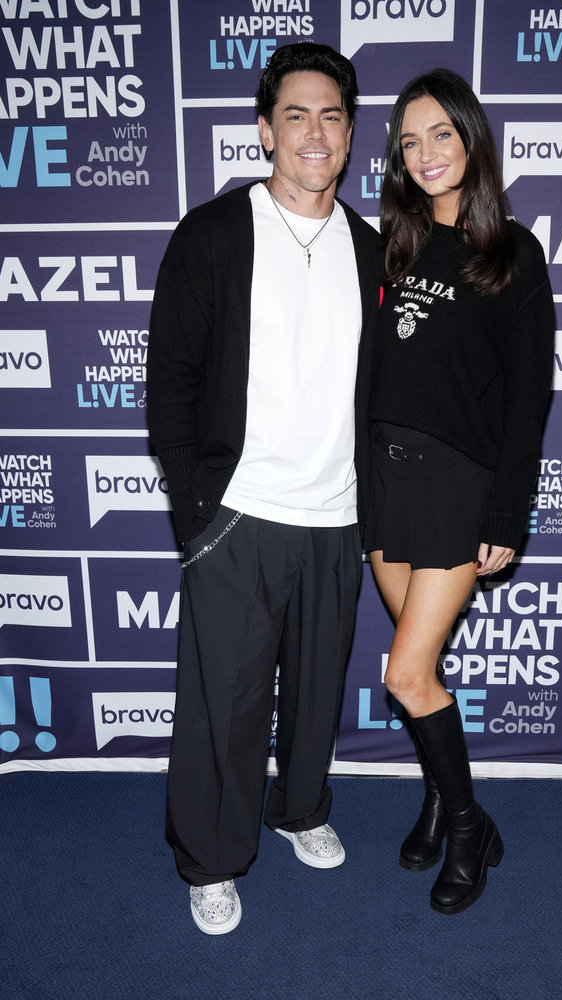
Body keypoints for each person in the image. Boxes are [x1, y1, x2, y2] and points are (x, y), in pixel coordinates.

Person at [146, 42, 381, 935]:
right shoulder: (212, 234)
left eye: (331, 116)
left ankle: (300, 808)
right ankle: (210, 857)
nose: (314, 132)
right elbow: (168, 378)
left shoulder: (370, 248)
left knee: (317, 690)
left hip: (337, 515)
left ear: (350, 134)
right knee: (225, 703)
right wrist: (195, 511)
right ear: (264, 130)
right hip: (239, 515)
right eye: (295, 114)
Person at [366, 68, 555, 915]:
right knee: (425, 669)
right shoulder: (393, 246)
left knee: (406, 673)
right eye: (410, 141)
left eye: (440, 133)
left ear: (471, 139)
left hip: (456, 483)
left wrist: (505, 511)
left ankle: (469, 826)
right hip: (381, 481)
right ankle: (443, 796)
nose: (426, 153)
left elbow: (530, 395)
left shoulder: (512, 252)